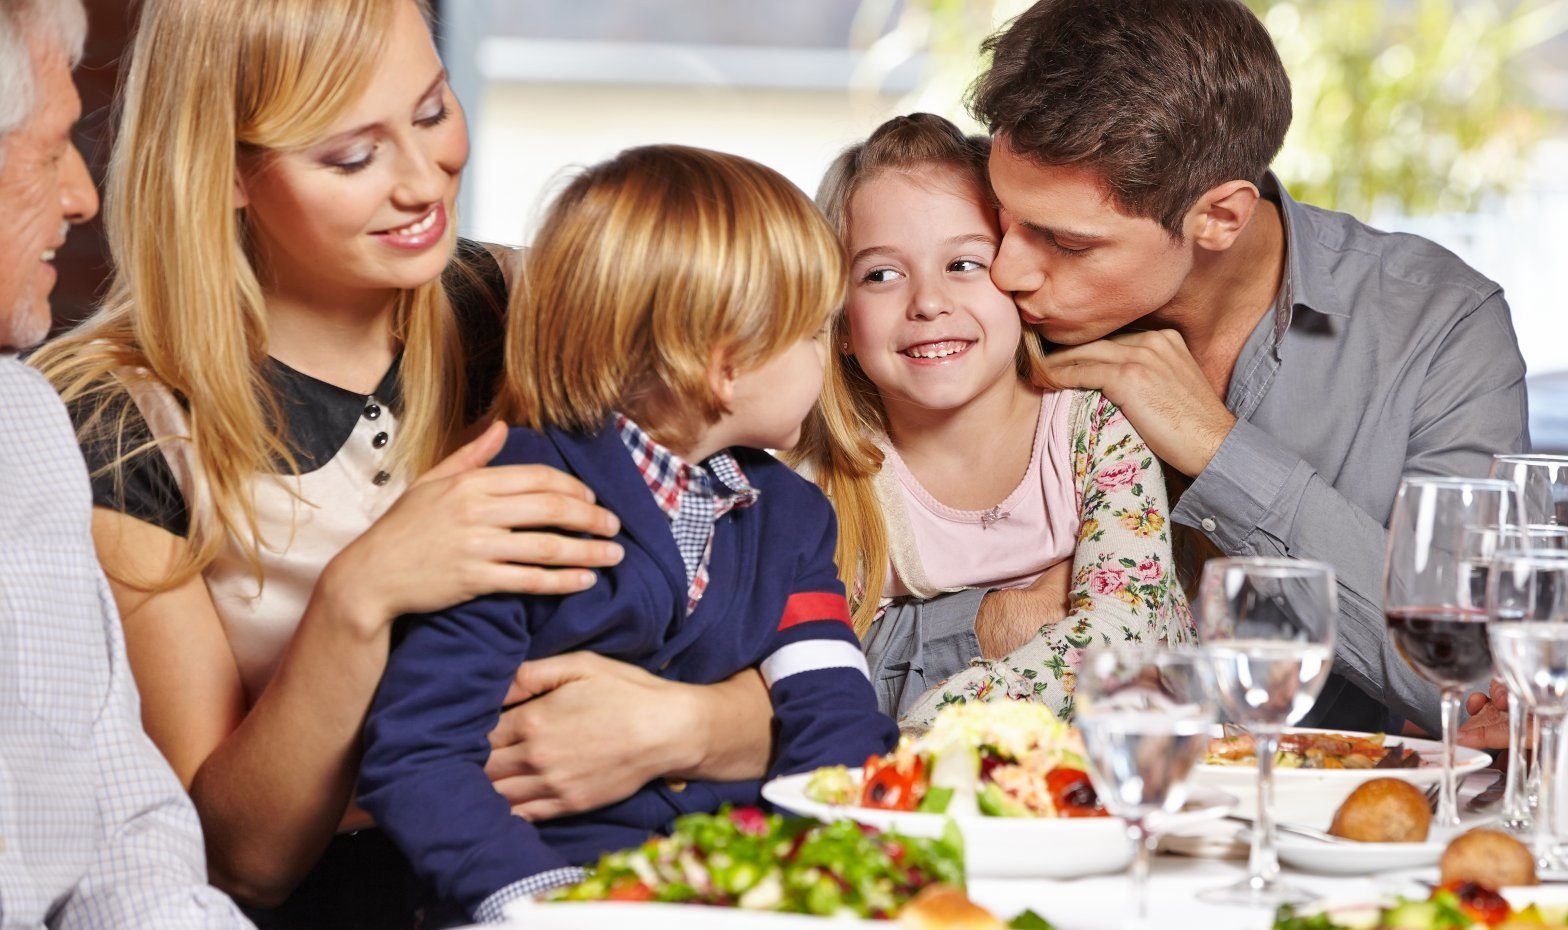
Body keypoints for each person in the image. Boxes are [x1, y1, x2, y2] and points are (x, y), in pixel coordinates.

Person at [31, 1, 779, 925]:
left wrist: (689, 727)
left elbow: (787, 582)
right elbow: (233, 861)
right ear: (224, 171)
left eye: (431, 111)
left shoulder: (531, 309)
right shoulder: (113, 419)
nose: (425, 181)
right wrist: (362, 594)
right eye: (352, 156)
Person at [877, 0, 1531, 734]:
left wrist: (1220, 451)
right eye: (1005, 217)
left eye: (1066, 241)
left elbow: (1480, 678)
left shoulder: (1435, 327)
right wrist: (994, 620)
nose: (1005, 268)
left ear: (1219, 216)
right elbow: (808, 636)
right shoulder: (966, 326)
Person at [358, 144, 896, 925]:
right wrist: (541, 906)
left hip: (728, 892)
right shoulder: (513, 501)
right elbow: (419, 754)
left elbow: (835, 711)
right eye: (815, 332)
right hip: (536, 896)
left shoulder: (792, 519)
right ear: (727, 366)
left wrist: (809, 875)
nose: (828, 355)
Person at [794, 113, 1191, 725]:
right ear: (842, 322)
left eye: (964, 264)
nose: (928, 302)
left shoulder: (1095, 430)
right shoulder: (830, 482)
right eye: (881, 274)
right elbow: (817, 680)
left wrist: (934, 723)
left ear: (1019, 279)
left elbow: (1123, 633)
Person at [0, 0, 248, 925]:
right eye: (50, 147)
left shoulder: (22, 424)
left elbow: (126, 831)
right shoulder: (112, 419)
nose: (82, 196)